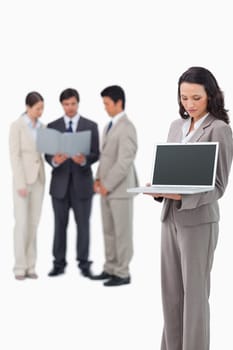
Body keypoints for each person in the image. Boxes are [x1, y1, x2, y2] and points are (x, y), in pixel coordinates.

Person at [145, 67, 233, 350]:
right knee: (171, 295)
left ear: (211, 96)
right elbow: (174, 172)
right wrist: (159, 188)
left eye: (196, 97)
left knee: (194, 296)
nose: (190, 104)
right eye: (184, 98)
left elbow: (218, 186)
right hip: (169, 217)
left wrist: (182, 195)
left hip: (198, 222)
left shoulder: (219, 129)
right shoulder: (176, 126)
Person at [45, 88, 99, 278]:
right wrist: (55, 160)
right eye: (66, 104)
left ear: (78, 103)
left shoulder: (90, 125)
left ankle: (84, 263)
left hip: (82, 184)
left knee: (83, 225)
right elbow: (47, 154)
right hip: (59, 185)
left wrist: (84, 160)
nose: (70, 107)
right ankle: (58, 263)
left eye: (73, 104)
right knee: (59, 225)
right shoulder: (52, 126)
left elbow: (95, 153)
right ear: (62, 105)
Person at [92, 85, 138, 287]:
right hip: (105, 189)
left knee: (122, 233)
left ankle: (122, 272)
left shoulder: (127, 127)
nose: (105, 108)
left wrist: (107, 185)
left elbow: (124, 161)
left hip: (119, 190)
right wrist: (98, 180)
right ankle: (110, 267)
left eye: (107, 104)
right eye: (103, 104)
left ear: (119, 102)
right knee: (108, 231)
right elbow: (105, 158)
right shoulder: (108, 126)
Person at [9, 92, 45, 280]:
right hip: (22, 182)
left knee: (33, 223)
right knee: (21, 224)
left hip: (39, 180)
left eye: (42, 108)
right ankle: (19, 267)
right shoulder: (17, 126)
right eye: (38, 108)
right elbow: (14, 156)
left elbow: (43, 152)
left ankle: (31, 266)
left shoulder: (42, 127)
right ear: (28, 107)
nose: (41, 112)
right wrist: (20, 182)